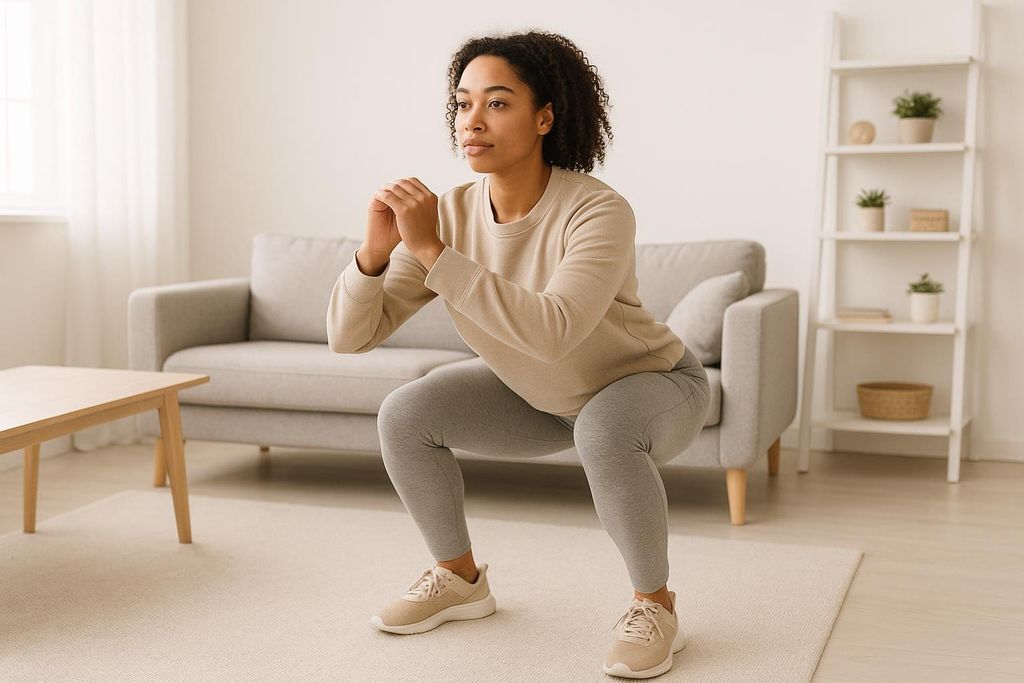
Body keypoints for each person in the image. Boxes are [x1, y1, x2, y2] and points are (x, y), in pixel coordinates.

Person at [326, 29, 710, 680]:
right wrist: (372, 253)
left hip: (653, 385)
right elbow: (350, 336)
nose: (472, 121)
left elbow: (553, 331)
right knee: (405, 413)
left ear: (545, 117)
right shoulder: (445, 214)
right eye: (462, 103)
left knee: (605, 427)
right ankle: (460, 577)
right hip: (540, 396)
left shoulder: (596, 211)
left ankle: (656, 605)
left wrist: (433, 254)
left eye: (497, 103)